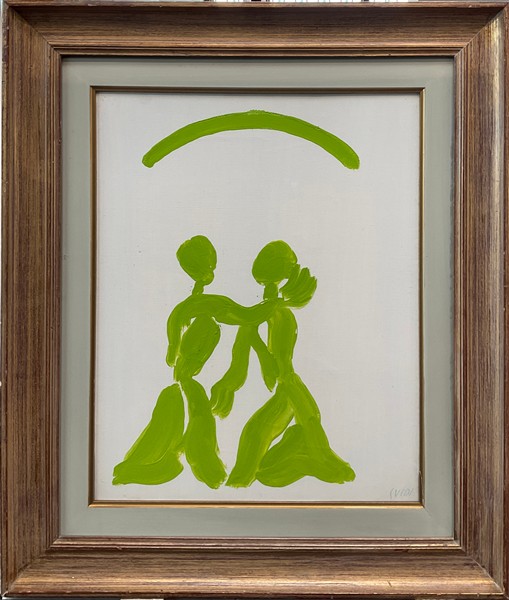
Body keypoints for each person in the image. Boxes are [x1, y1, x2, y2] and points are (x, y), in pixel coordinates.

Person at [113, 235, 279, 489]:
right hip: (190, 383)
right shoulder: (209, 305)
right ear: (212, 263)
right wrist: (276, 299)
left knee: (177, 427)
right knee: (197, 427)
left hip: (181, 381)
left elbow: (171, 355)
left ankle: (171, 463)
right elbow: (248, 316)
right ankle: (206, 473)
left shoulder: (182, 309)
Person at [224, 241, 356, 488]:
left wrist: (261, 359)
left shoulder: (274, 309)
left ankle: (302, 458)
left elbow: (248, 336)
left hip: (287, 382)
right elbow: (249, 337)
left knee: (265, 438)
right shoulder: (273, 309)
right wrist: (262, 358)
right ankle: (302, 456)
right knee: (269, 437)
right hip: (287, 381)